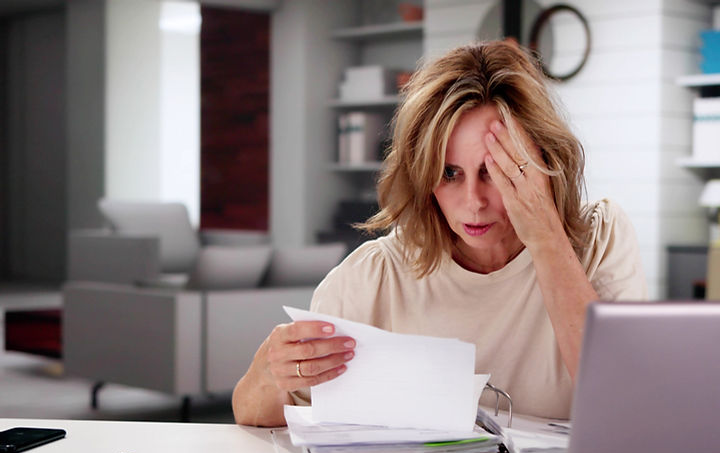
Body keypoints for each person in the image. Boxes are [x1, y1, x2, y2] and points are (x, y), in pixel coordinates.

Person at [232, 40, 647, 427]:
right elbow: (252, 416)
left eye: (495, 172)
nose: (473, 201)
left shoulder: (599, 239)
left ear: (541, 162)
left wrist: (545, 236)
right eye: (450, 174)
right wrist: (270, 371)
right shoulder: (376, 276)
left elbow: (628, 406)